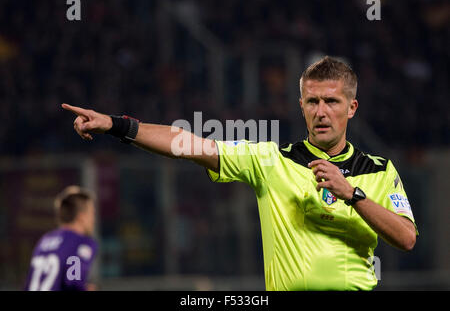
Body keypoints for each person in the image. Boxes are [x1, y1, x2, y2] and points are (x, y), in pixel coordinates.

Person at [62, 56, 417, 291]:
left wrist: (352, 195)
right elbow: (189, 143)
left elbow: (406, 238)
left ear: (351, 107)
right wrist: (115, 125)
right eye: (312, 102)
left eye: (332, 102)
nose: (321, 112)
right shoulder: (270, 160)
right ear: (301, 107)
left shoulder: (380, 170)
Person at [24, 185, 98, 291]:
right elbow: (73, 282)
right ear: (81, 217)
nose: (93, 220)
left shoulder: (45, 240)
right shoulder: (81, 242)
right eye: (92, 214)